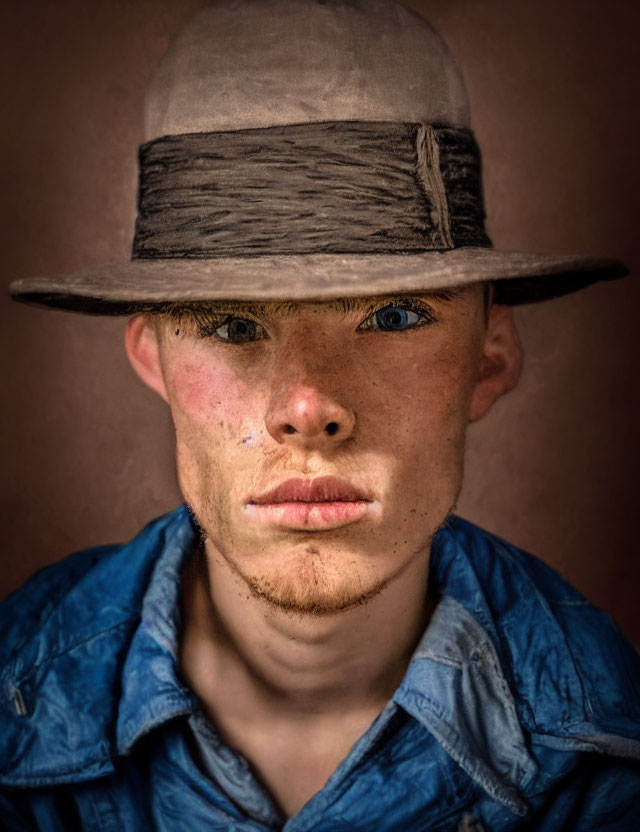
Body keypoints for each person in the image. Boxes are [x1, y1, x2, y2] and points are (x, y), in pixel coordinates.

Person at [1, 1, 638, 829]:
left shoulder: (607, 757)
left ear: (491, 356)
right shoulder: (16, 688)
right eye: (234, 326)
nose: (308, 408)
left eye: (394, 317)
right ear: (153, 358)